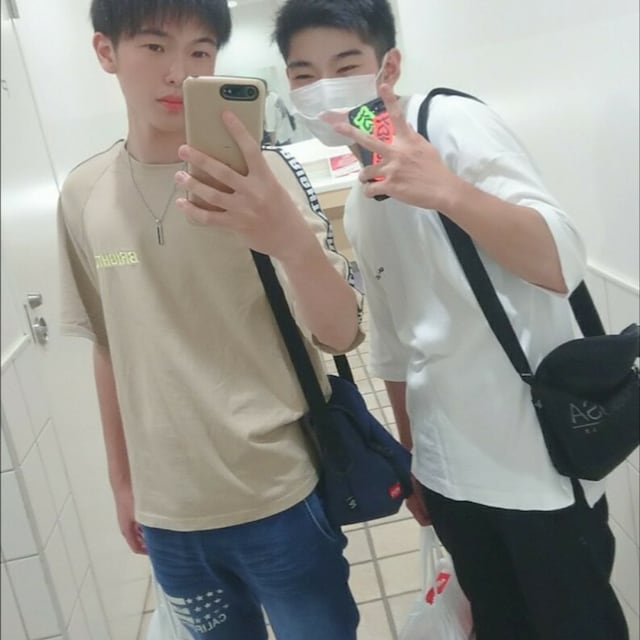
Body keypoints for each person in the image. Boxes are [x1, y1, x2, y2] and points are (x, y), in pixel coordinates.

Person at [273, 1, 630, 639]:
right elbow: (394, 346)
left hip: (538, 468)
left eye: (345, 66)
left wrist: (448, 191)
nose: (324, 88)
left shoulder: (448, 123)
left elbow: (561, 262)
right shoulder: (362, 199)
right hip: (450, 478)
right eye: (304, 74)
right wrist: (414, 459)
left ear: (388, 68)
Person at [58, 1, 363, 639]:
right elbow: (109, 345)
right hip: (169, 515)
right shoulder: (85, 195)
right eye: (154, 47)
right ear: (106, 52)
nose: (179, 72)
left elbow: (340, 334)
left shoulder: (263, 178)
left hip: (279, 491)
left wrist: (290, 239)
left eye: (200, 51)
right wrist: (122, 482)